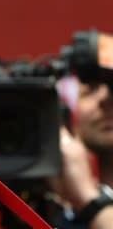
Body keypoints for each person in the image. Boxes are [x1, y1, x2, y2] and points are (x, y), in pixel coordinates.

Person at [50, 78, 113, 228]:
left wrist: (89, 200)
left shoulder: (84, 198)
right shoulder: (60, 208)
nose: (105, 99)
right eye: (91, 90)